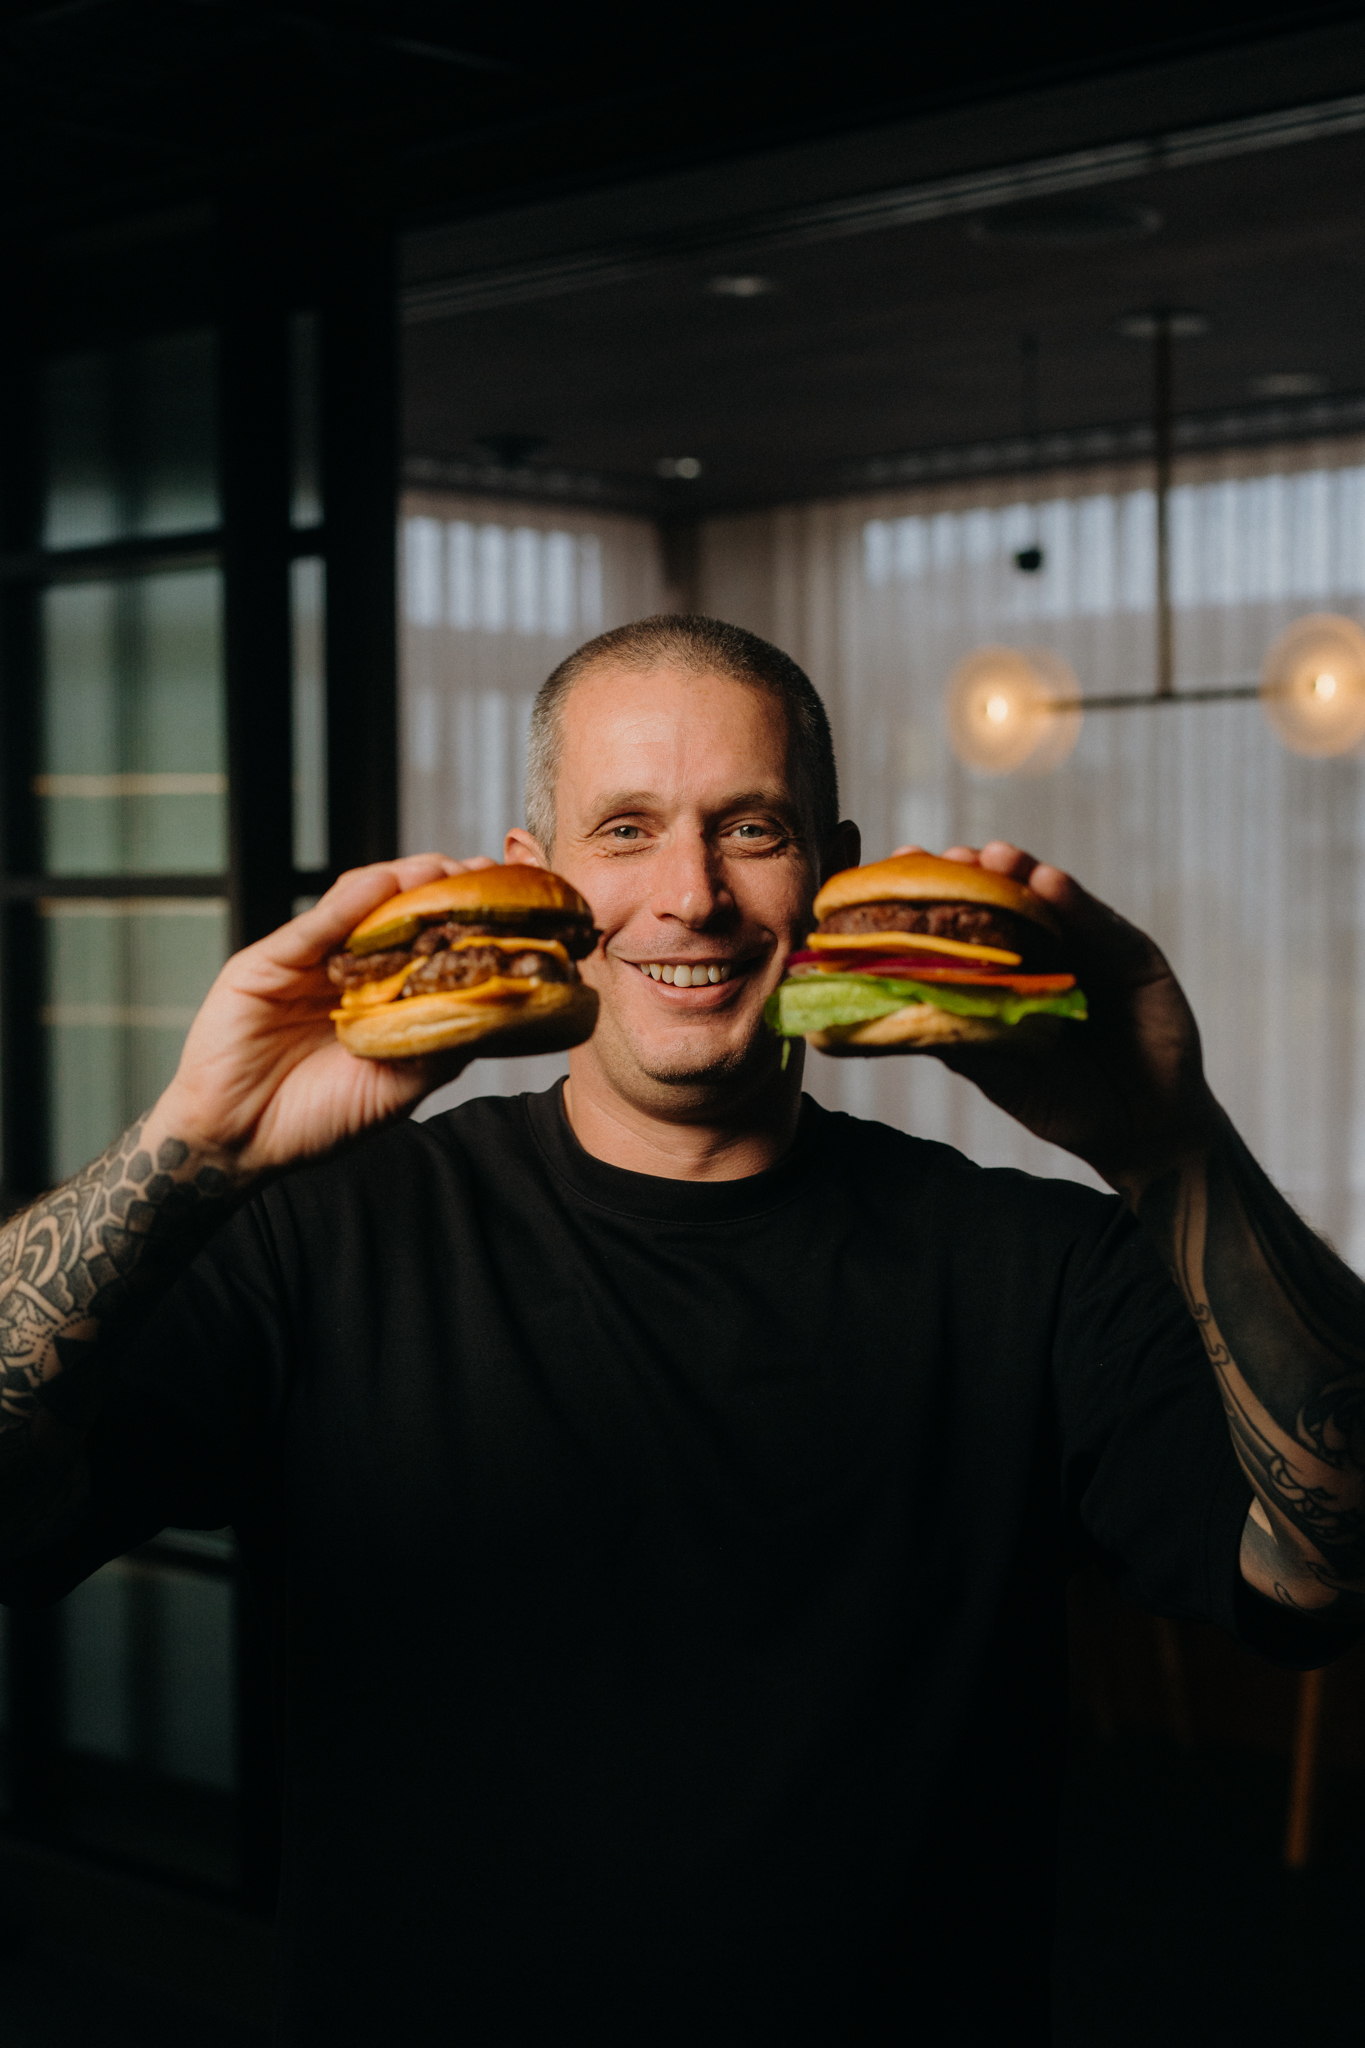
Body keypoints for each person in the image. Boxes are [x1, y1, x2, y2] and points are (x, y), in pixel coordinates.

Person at [0, 613, 1360, 2045]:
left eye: (750, 828)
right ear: (534, 878)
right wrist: (191, 1146)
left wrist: (1173, 1146)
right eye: (627, 828)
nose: (689, 896)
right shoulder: (323, 1234)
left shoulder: (1036, 1265)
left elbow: (1323, 1570)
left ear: (828, 868)